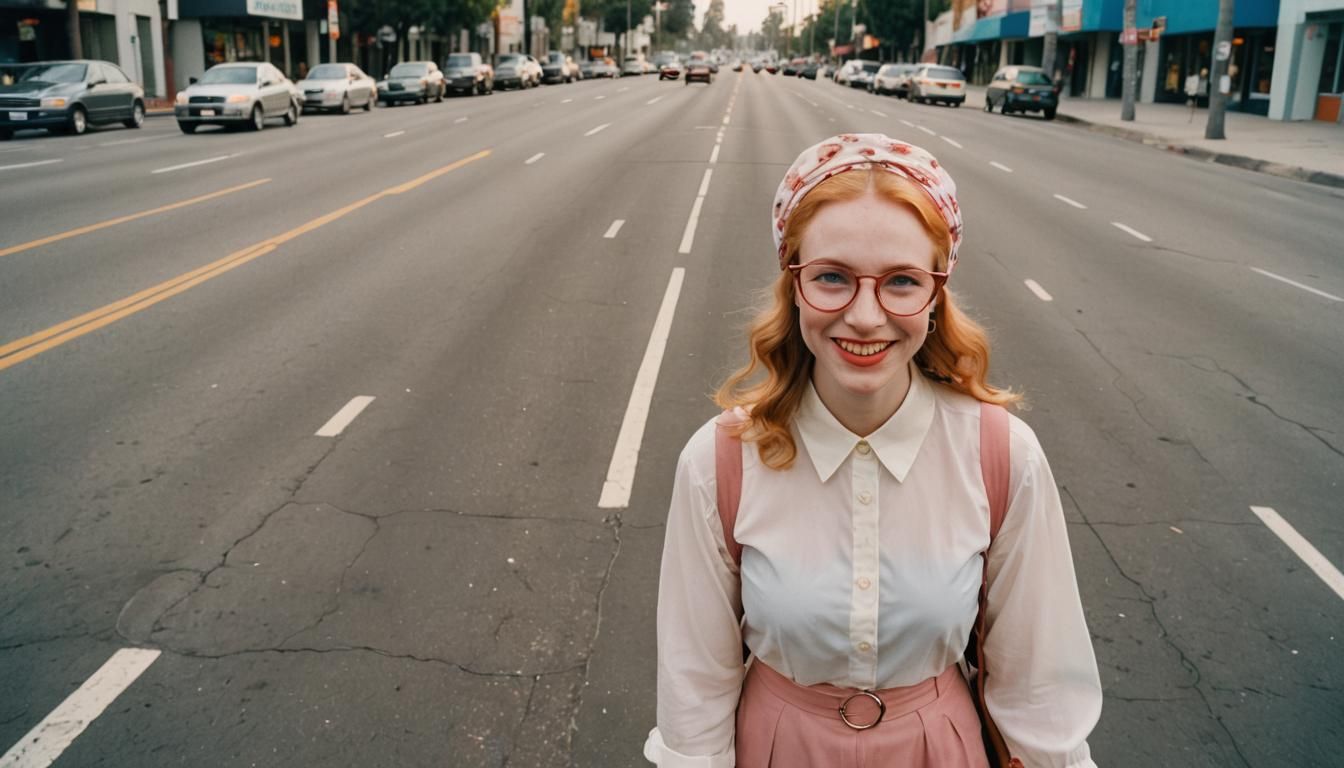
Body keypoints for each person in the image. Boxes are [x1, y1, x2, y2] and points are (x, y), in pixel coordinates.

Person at [645, 134, 1102, 767]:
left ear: (936, 295)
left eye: (902, 281)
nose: (865, 316)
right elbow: (695, 689)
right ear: (794, 284)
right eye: (832, 277)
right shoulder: (719, 461)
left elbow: (1039, 687)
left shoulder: (1003, 456)